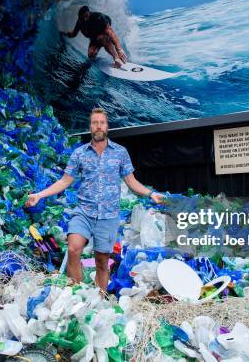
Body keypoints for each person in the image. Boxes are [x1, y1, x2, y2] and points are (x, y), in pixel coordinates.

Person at [25, 108, 163, 292]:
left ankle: (101, 298)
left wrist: (150, 194)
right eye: (95, 123)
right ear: (90, 127)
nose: (98, 126)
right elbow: (65, 180)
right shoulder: (80, 153)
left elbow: (131, 181)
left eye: (102, 123)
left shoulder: (120, 153)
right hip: (84, 212)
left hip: (108, 216)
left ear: (107, 126)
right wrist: (39, 195)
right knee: (74, 249)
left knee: (101, 261)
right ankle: (76, 294)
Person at [61, 6, 128, 68]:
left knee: (102, 38)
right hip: (94, 39)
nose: (84, 19)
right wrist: (64, 33)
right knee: (91, 54)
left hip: (103, 33)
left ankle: (116, 58)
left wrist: (118, 49)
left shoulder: (97, 17)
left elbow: (110, 32)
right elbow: (73, 34)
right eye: (82, 18)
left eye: (86, 16)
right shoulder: (80, 22)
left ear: (89, 13)